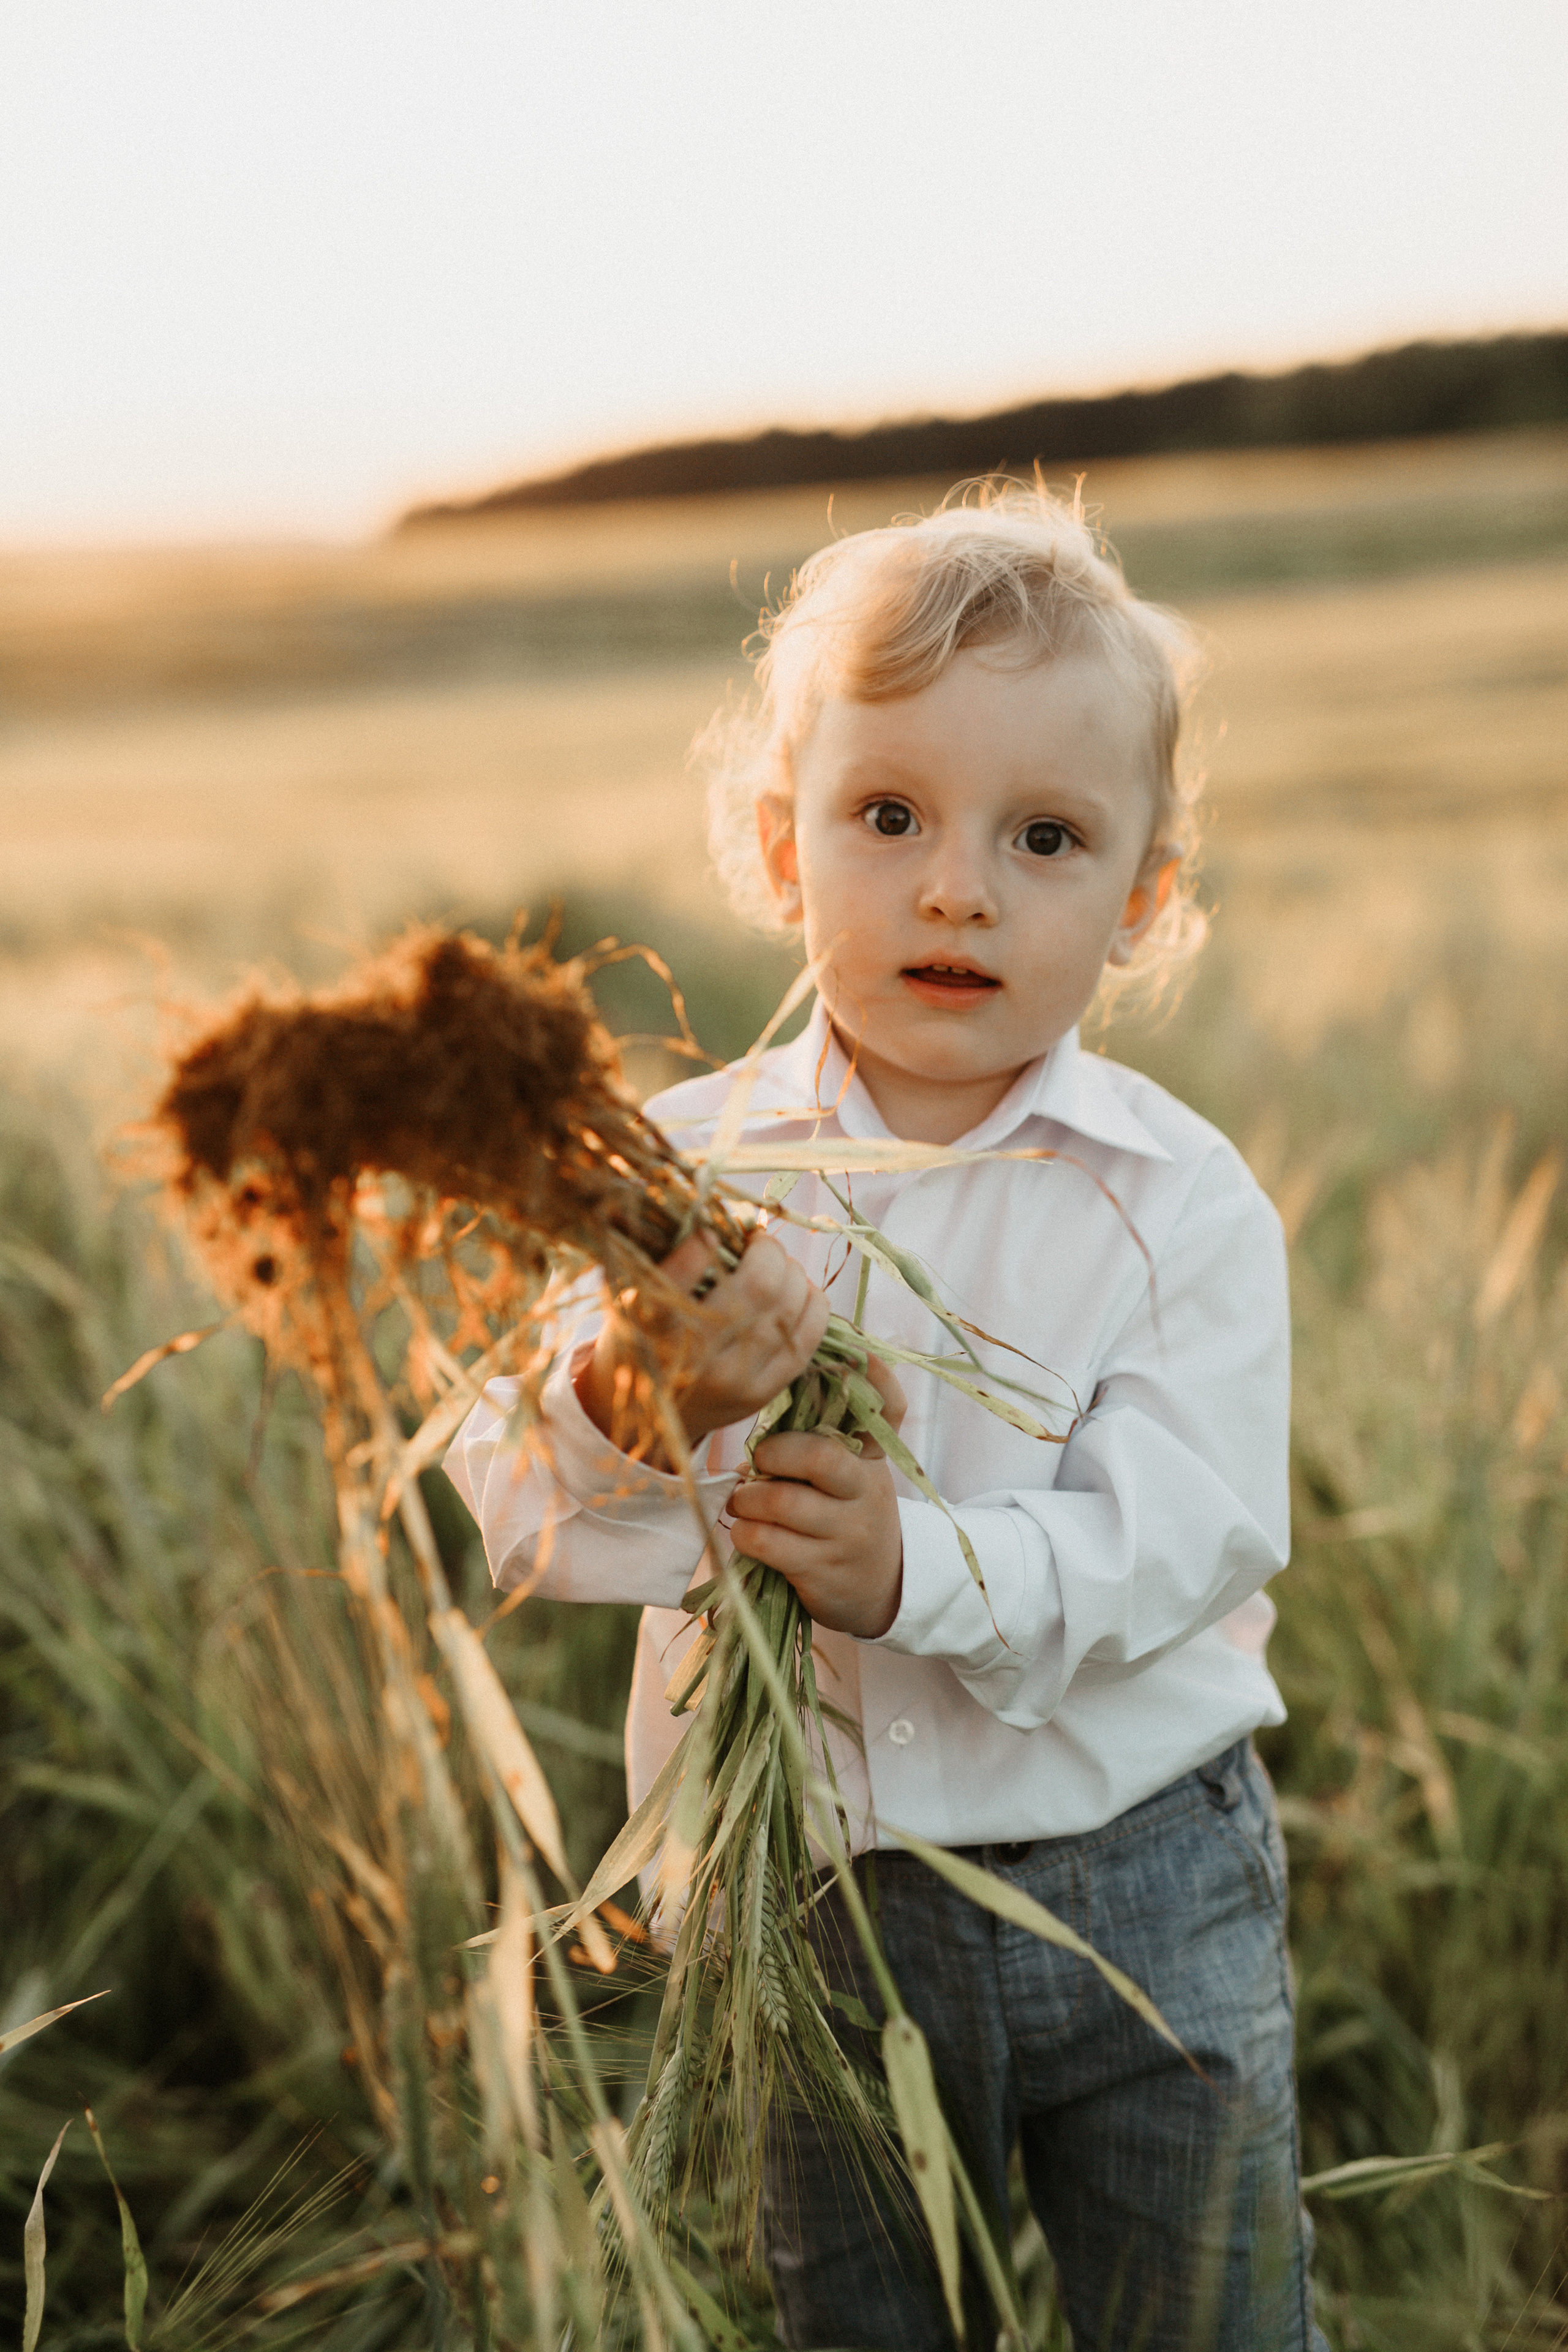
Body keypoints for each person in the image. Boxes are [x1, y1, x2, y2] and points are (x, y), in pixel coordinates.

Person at [447, 485, 1328, 2351]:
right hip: (810, 1902)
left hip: (1143, 1877)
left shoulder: (1173, 1197)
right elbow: (518, 1503)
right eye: (891, 816)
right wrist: (646, 1390)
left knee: (1207, 2320)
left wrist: (922, 1565)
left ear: (1143, 897)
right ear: (781, 847)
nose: (958, 888)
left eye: (1047, 838)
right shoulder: (679, 1174)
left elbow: (1194, 1530)